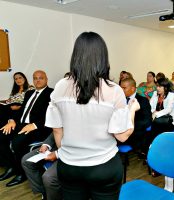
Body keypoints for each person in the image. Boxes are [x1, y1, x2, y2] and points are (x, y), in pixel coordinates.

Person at [44, 32, 140, 200]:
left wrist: (69, 153)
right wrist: (131, 109)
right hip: (103, 167)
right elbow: (122, 136)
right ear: (103, 58)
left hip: (69, 166)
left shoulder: (60, 86)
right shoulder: (113, 90)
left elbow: (57, 132)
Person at [0, 70, 53, 187]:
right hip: (21, 124)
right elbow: (21, 111)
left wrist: (34, 125)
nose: (37, 80)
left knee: (16, 142)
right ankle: (11, 166)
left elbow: (51, 115)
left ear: (46, 79)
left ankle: (21, 173)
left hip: (37, 127)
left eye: (41, 78)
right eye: (35, 78)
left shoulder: (51, 93)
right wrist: (12, 120)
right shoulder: (29, 93)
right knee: (1, 136)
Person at [22, 133, 62, 200]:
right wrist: (46, 145)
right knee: (26, 161)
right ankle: (45, 192)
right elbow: (55, 132)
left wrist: (57, 154)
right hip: (57, 146)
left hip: (72, 152)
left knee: (48, 177)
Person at [120, 78, 152, 155]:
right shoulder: (120, 100)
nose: (121, 90)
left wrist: (130, 126)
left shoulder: (143, 100)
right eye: (120, 88)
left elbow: (147, 120)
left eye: (124, 88)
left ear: (133, 88)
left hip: (135, 131)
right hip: (121, 129)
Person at [147, 78, 174, 152]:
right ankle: (155, 147)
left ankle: (153, 147)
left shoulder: (171, 95)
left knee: (155, 124)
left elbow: (168, 110)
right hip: (157, 120)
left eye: (160, 87)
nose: (158, 88)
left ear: (166, 87)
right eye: (157, 86)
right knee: (155, 124)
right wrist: (153, 112)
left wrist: (156, 113)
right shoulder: (155, 94)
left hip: (169, 120)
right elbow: (150, 106)